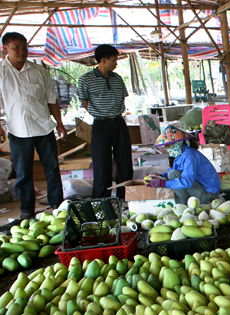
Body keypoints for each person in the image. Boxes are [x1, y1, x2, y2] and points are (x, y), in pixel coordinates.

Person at [0, 32, 65, 225]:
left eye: (24, 47)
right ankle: (27, 211)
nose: (21, 51)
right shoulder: (1, 72)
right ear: (5, 49)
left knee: (52, 169)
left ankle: (57, 206)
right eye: (16, 48)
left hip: (44, 127)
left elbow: (51, 99)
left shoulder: (39, 71)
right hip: (17, 130)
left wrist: (59, 123)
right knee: (23, 173)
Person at [78, 44, 132, 199]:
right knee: (102, 162)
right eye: (114, 60)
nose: (116, 63)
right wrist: (100, 113)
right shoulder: (86, 80)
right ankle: (102, 198)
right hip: (100, 124)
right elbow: (84, 102)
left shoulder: (117, 78)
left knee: (124, 161)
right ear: (103, 60)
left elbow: (122, 97)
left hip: (118, 122)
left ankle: (125, 195)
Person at [146, 125, 220, 205]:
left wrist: (163, 183)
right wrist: (160, 176)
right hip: (200, 190)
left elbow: (187, 181)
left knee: (173, 174)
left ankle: (182, 204)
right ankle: (183, 204)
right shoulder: (180, 155)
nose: (166, 148)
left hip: (208, 195)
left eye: (168, 145)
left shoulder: (189, 156)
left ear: (178, 143)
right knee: (172, 173)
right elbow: (174, 171)